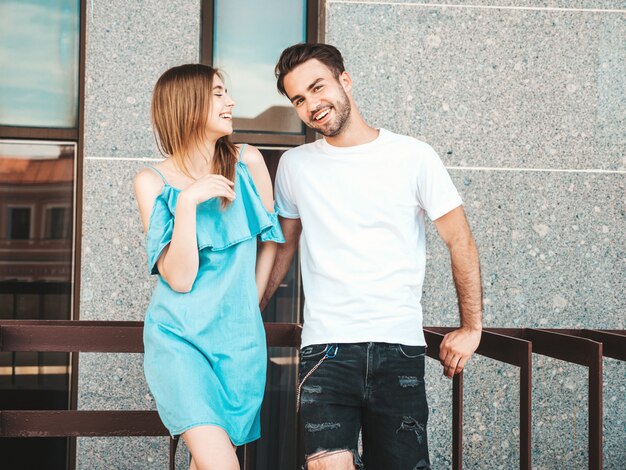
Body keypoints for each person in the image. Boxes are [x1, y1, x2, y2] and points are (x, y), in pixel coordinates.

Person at [261, 44, 483, 470]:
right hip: (325, 350)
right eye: (299, 100)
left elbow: (461, 242)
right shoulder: (294, 166)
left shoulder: (413, 155)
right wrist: (249, 312)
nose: (311, 105)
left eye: (317, 87)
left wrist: (472, 327)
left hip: (397, 348)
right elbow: (283, 249)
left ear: (345, 80)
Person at [134, 64, 284, 470]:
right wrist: (186, 203)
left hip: (239, 341)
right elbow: (180, 279)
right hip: (178, 338)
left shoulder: (248, 161)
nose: (230, 101)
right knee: (222, 464)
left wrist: (248, 302)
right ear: (186, 103)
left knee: (209, 462)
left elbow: (270, 241)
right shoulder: (151, 182)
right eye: (218, 93)